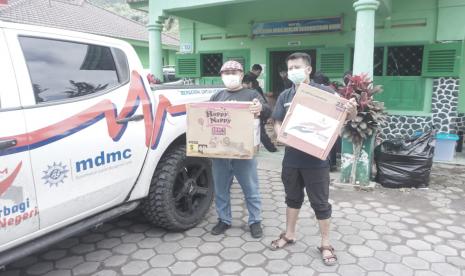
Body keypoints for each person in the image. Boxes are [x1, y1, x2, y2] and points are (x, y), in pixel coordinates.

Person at [270, 53, 357, 266]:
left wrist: (352, 109)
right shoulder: (285, 96)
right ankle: (290, 234)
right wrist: (281, 134)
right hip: (291, 158)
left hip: (316, 160)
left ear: (308, 69)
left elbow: (348, 116)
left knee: (320, 202)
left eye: (296, 67)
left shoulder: (325, 93)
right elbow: (277, 121)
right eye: (289, 68)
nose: (292, 72)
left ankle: (326, 243)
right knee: (292, 198)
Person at [209, 60, 271, 238]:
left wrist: (260, 108)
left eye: (233, 72)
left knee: (251, 188)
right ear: (221, 76)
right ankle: (224, 220)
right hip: (220, 153)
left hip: (244, 152)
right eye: (226, 73)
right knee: (221, 189)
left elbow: (267, 109)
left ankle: (255, 221)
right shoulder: (217, 96)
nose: (230, 76)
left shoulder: (252, 94)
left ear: (241, 75)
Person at [245, 64, 278, 152]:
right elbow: (259, 97)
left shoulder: (251, 79)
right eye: (259, 72)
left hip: (254, 108)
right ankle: (271, 148)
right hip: (255, 109)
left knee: (258, 130)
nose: (259, 74)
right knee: (260, 130)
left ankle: (269, 147)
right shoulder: (251, 81)